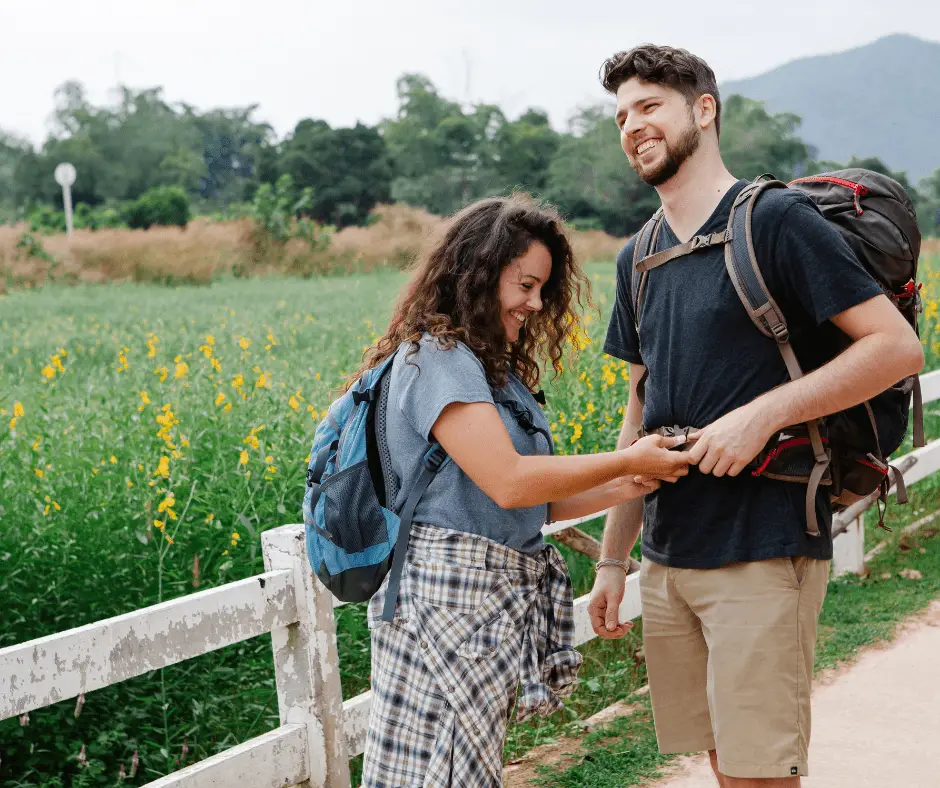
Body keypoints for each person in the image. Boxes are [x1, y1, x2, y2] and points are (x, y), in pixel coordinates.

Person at [586, 45, 924, 787]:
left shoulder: (774, 219)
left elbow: (895, 348)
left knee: (760, 772)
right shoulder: (637, 256)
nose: (632, 126)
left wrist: (762, 416)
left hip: (762, 543)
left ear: (703, 110)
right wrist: (615, 559)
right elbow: (640, 408)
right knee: (722, 762)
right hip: (670, 553)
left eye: (649, 107)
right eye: (621, 115)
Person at [357, 192, 690, 787]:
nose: (536, 305)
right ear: (477, 275)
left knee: (465, 766)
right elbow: (510, 483)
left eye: (543, 290)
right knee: (440, 770)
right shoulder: (440, 359)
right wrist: (622, 457)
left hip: (480, 601)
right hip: (446, 598)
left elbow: (541, 502)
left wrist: (628, 481)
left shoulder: (490, 371)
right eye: (526, 285)